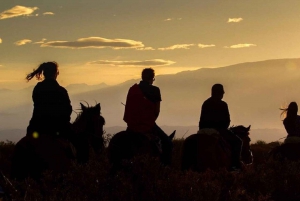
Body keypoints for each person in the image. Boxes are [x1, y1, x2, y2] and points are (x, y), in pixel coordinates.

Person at [123, 68, 172, 164]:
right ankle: (166, 169)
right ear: (152, 78)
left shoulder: (133, 89)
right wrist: (149, 122)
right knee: (168, 143)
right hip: (147, 126)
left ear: (142, 77)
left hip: (132, 126)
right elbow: (156, 112)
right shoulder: (155, 90)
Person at [199, 84, 243, 170]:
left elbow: (201, 120)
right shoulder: (223, 104)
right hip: (218, 130)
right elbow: (227, 121)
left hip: (203, 130)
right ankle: (235, 165)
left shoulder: (206, 103)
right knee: (238, 142)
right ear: (220, 93)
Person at [26, 62, 73, 139]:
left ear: (44, 73)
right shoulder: (61, 91)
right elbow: (67, 110)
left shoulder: (38, 88)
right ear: (56, 73)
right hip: (56, 128)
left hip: (36, 126)